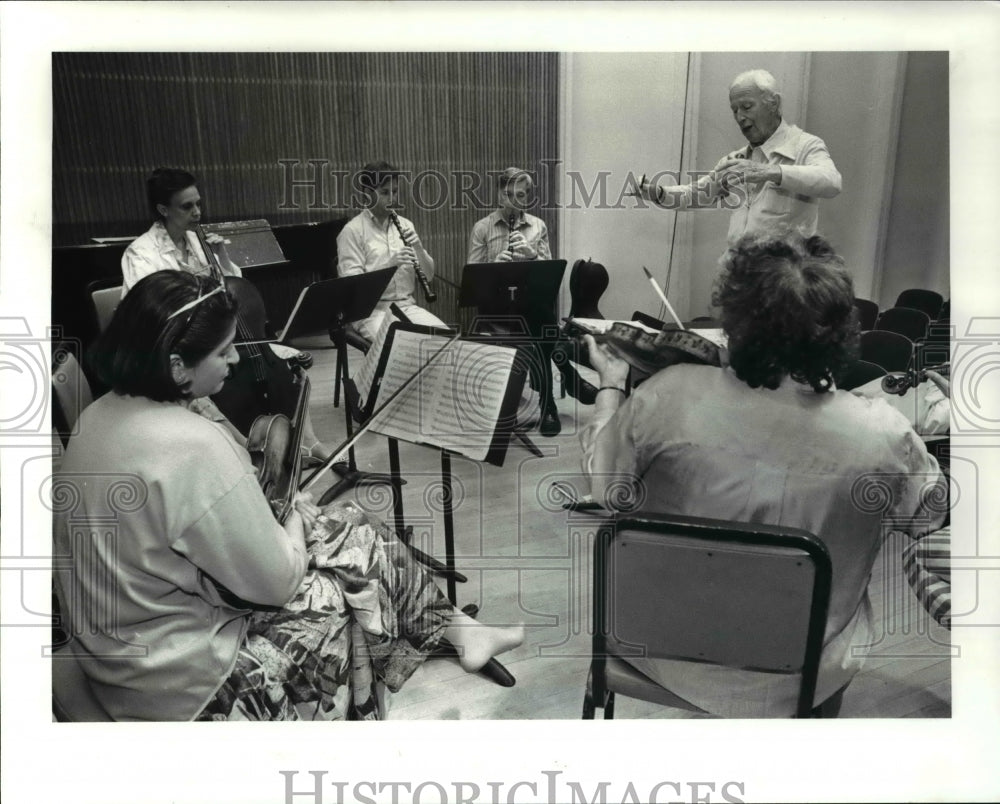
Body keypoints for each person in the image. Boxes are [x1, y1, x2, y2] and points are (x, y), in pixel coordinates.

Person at [53, 271, 524, 721]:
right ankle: (369, 715)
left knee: (349, 523)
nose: (236, 360)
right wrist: (292, 516)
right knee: (349, 581)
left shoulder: (95, 416)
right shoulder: (189, 444)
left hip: (116, 655)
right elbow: (276, 583)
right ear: (176, 366)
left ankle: (458, 630)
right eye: (223, 351)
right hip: (183, 683)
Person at [579, 232, 945, 717]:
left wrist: (610, 387)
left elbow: (606, 489)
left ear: (733, 321)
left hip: (657, 647)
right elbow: (928, 521)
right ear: (841, 330)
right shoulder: (885, 433)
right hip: (802, 677)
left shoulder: (668, 393)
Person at [121, 167, 334, 462]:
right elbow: (148, 315)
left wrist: (220, 257)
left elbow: (237, 289)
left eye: (198, 203)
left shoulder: (198, 241)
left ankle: (307, 442)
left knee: (288, 362)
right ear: (162, 209)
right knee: (211, 385)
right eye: (187, 206)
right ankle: (245, 455)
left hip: (216, 337)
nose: (197, 212)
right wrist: (189, 288)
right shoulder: (141, 254)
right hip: (178, 348)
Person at [467, 167, 597, 437]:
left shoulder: (538, 226)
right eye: (509, 195)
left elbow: (549, 276)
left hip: (530, 305)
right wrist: (494, 267)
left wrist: (532, 258)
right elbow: (472, 280)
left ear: (527, 197)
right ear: (499, 195)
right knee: (541, 324)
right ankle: (567, 380)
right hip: (496, 307)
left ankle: (548, 402)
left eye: (521, 196)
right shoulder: (482, 228)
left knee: (538, 318)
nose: (515, 201)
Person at [639, 69, 842, 241]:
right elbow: (697, 195)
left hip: (784, 280)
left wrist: (770, 172)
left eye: (746, 107)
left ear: (774, 104)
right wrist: (658, 194)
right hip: (739, 274)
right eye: (734, 110)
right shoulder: (736, 160)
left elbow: (832, 183)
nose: (739, 117)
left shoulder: (805, 145)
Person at [337, 161, 446, 343]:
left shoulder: (405, 225)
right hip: (371, 312)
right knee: (401, 348)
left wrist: (418, 247)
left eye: (395, 192)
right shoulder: (352, 232)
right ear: (368, 193)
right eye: (385, 193)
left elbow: (428, 275)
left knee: (446, 340)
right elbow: (352, 291)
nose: (392, 199)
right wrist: (389, 266)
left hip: (406, 306)